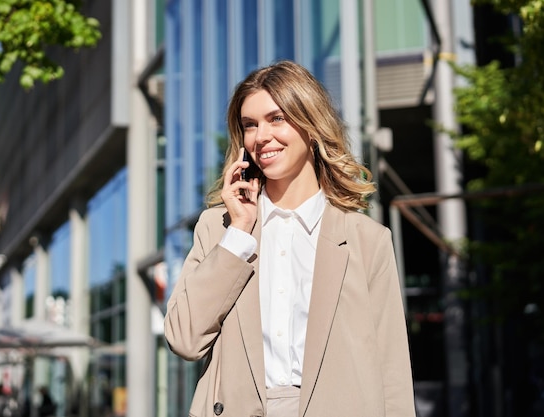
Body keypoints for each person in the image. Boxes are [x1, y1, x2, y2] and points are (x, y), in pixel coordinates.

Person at [164, 60, 416, 417]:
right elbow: (184, 338)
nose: (260, 136)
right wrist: (238, 233)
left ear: (311, 125)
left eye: (276, 118)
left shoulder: (366, 239)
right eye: (249, 125)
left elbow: (392, 371)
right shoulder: (219, 228)